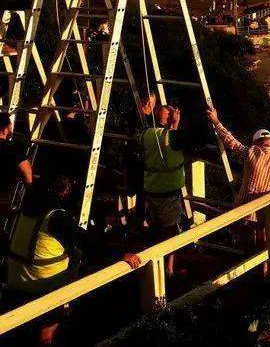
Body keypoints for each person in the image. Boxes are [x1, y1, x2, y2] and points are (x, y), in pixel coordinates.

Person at [6, 176, 141, 346]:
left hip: (15, 285)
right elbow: (89, 243)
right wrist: (121, 255)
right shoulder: (56, 218)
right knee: (76, 256)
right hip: (42, 289)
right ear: (59, 194)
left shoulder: (23, 213)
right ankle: (51, 325)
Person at [136, 96, 209, 274]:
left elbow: (163, 139)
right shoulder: (175, 137)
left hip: (151, 190)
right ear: (172, 120)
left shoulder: (147, 134)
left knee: (156, 229)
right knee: (171, 233)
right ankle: (166, 270)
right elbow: (199, 138)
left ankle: (161, 267)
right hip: (169, 193)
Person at [207, 109, 270, 207]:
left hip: (245, 210)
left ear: (255, 143)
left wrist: (216, 122)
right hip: (269, 213)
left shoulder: (252, 153)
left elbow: (231, 142)